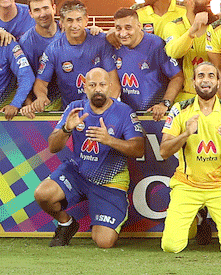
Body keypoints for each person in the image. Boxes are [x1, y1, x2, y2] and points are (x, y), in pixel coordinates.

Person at [34, 68, 145, 248]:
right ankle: (66, 223)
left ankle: (112, 212)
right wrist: (66, 129)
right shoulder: (75, 108)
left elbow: (139, 149)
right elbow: (53, 147)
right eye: (92, 85)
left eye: (102, 85)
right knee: (42, 194)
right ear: (85, 87)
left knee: (104, 242)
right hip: (78, 173)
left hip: (110, 182)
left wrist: (109, 140)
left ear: (110, 87)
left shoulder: (124, 112)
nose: (97, 89)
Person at [159, 62, 221, 254]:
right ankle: (198, 218)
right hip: (187, 185)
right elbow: (164, 151)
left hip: (220, 186)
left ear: (217, 82)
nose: (205, 80)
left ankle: (200, 214)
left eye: (210, 76)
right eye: (200, 76)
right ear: (193, 82)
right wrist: (185, 134)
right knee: (170, 246)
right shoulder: (179, 109)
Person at [32, 0, 119, 109]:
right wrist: (41, 96)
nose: (74, 25)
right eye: (69, 20)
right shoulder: (53, 49)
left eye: (79, 20)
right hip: (70, 113)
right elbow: (40, 83)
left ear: (86, 20)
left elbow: (114, 83)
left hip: (100, 110)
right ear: (62, 22)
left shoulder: (101, 42)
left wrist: (106, 109)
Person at [111, 7, 182, 118]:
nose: (123, 33)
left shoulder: (156, 44)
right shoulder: (114, 45)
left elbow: (177, 77)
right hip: (128, 117)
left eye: (128, 28)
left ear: (139, 26)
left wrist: (164, 103)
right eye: (118, 28)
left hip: (155, 115)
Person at [164, 0, 221, 101]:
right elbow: (173, 52)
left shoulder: (219, 23)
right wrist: (193, 30)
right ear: (191, 3)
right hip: (187, 98)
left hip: (217, 97)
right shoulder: (174, 26)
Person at [18, 0, 59, 108]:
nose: (42, 14)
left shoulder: (67, 32)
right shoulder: (26, 42)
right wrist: (29, 105)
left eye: (46, 8)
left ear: (54, 8)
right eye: (37, 10)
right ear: (30, 14)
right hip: (42, 102)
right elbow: (23, 77)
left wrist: (94, 30)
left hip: (69, 99)